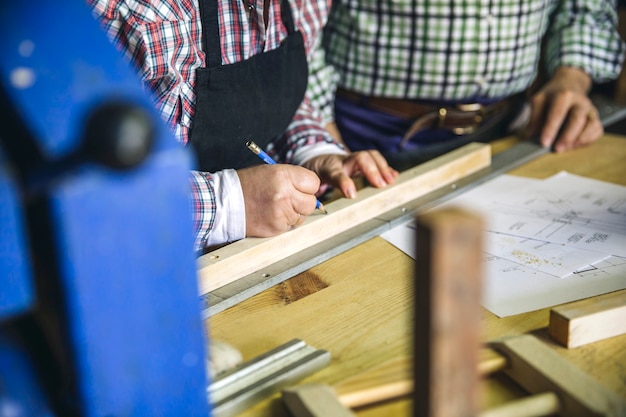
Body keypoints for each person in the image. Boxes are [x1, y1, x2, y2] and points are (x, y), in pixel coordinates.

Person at [87, 0, 399, 252]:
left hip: (250, 256)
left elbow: (270, 93)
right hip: (138, 267)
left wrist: (312, 150)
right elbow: (89, 194)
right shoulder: (126, 9)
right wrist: (229, 206)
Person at [309, 0, 626, 171]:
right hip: (362, 137)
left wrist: (571, 77)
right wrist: (321, 134)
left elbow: (586, 7)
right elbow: (297, 28)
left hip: (513, 131)